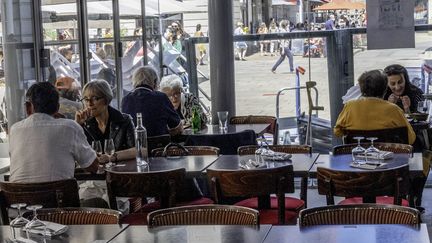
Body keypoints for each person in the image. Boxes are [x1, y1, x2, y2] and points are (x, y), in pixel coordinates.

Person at [9, 82, 99, 183]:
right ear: (57, 107)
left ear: (28, 107)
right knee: (99, 199)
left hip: (18, 197)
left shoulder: (14, 130)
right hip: (58, 198)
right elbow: (93, 166)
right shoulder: (70, 127)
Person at [334, 70, 416, 145]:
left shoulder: (350, 106)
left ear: (362, 89)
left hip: (357, 157)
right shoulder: (394, 109)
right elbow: (410, 138)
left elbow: (337, 132)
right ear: (385, 89)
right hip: (388, 157)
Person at [75, 79, 135, 161]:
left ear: (106, 100)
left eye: (95, 98)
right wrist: (77, 126)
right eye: (86, 99)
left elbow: (138, 150)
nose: (89, 103)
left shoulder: (124, 120)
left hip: (120, 170)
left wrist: (111, 157)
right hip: (94, 171)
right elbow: (74, 152)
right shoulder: (84, 123)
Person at [122, 66, 183, 137]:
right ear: (155, 82)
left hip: (135, 146)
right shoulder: (160, 97)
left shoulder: (126, 99)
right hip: (159, 146)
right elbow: (177, 127)